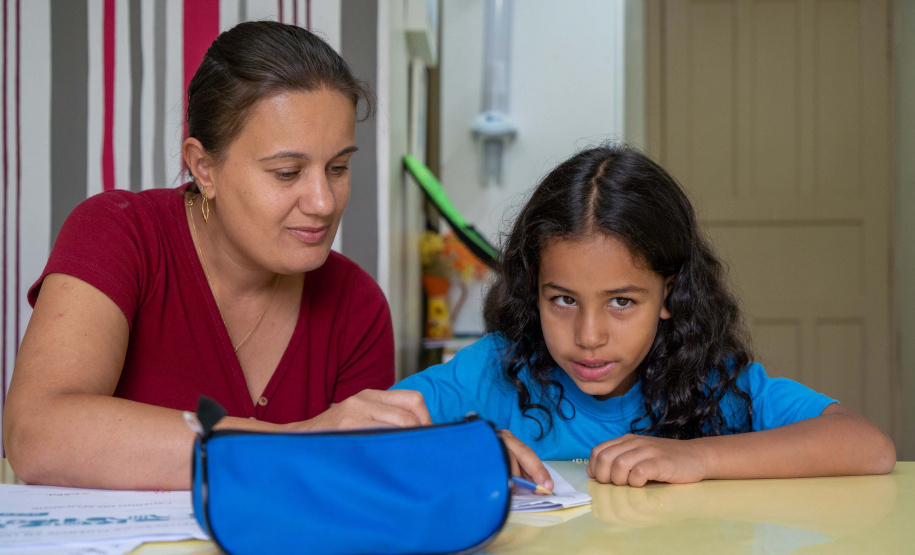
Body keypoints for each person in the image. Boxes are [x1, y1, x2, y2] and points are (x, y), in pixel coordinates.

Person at [2, 21, 428, 490]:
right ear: (204, 168)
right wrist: (294, 442)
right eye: (287, 173)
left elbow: (359, 489)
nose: (324, 202)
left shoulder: (357, 305)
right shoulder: (119, 232)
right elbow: (36, 434)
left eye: (339, 167)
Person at [393, 145, 895, 490]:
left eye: (622, 302)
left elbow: (868, 448)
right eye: (563, 300)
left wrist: (697, 458)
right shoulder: (494, 371)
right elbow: (362, 439)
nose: (589, 337)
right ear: (533, 290)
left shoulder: (712, 383)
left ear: (669, 294)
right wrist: (465, 447)